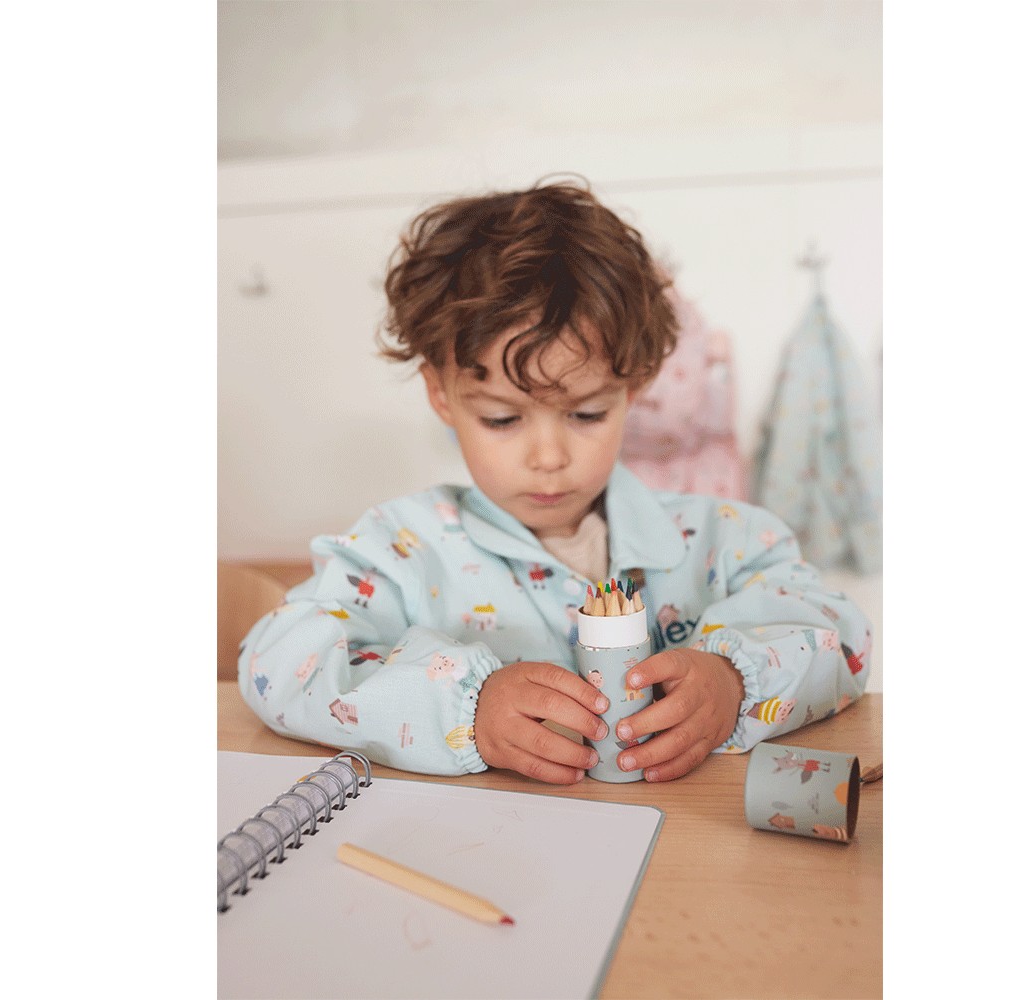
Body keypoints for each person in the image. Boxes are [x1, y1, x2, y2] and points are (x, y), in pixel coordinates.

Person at [238, 179, 872, 783]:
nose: (548, 456)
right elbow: (277, 663)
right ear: (441, 394)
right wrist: (465, 709)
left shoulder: (725, 540)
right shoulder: (398, 550)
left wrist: (734, 682)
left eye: (586, 414)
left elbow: (841, 636)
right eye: (502, 419)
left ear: (634, 385)